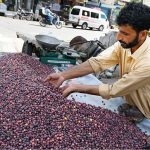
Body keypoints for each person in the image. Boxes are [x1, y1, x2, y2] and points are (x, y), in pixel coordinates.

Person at [44, 2, 150, 134]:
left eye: (125, 33)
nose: (118, 37)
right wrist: (64, 75)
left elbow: (115, 89)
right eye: (119, 31)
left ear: (143, 35)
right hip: (130, 102)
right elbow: (97, 63)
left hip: (146, 110)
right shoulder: (124, 46)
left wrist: (76, 87)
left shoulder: (148, 62)